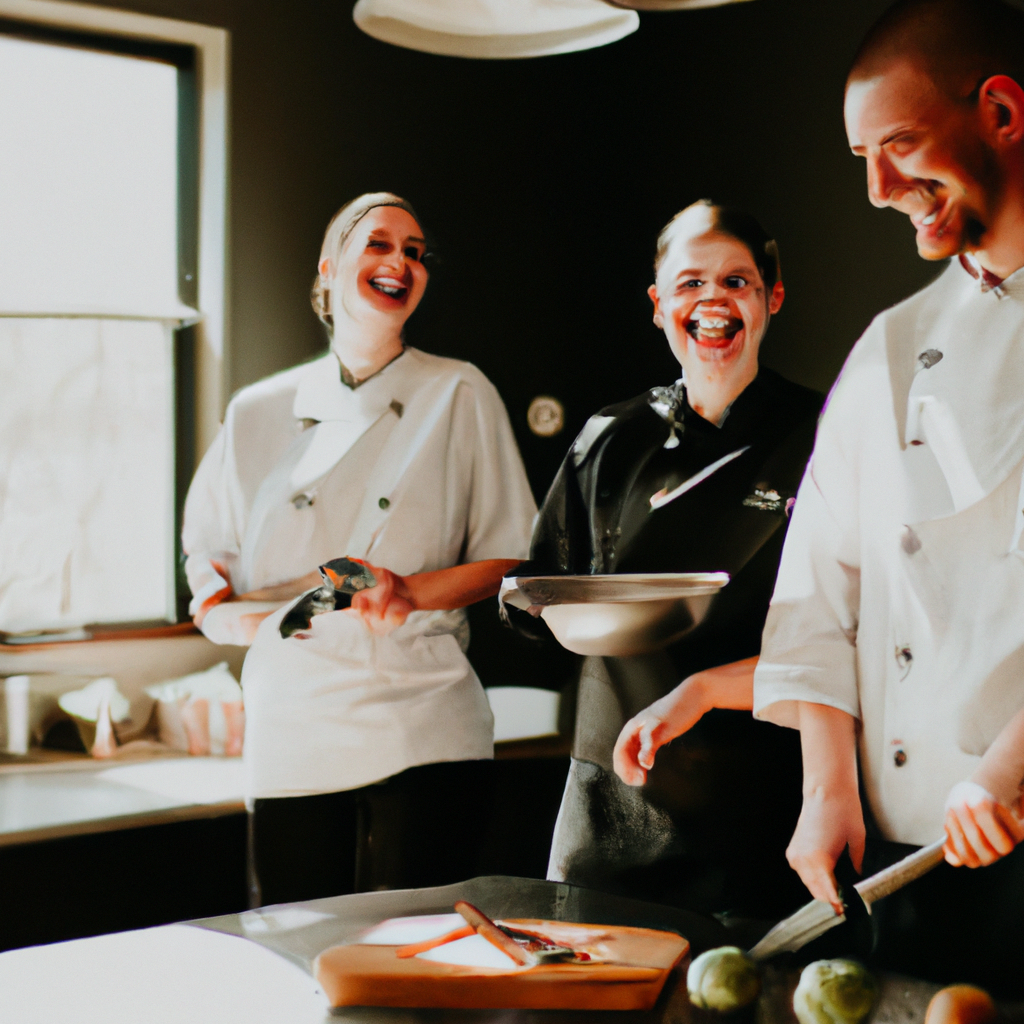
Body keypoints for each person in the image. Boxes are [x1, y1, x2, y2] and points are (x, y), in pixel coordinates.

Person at [749, 0, 1024, 994]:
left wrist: (1003, 772)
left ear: (999, 109)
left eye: (898, 147)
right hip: (896, 849)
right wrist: (827, 788)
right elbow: (820, 587)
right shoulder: (891, 343)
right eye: (861, 157)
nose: (875, 189)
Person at [181, 192, 536, 905]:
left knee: (418, 958)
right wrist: (226, 615)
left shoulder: (459, 392)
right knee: (300, 949)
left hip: (425, 717)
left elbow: (511, 559)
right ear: (329, 267)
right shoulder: (257, 410)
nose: (400, 261)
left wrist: (406, 593)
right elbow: (208, 564)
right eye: (378, 243)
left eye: (414, 251)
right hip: (292, 724)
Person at [504, 201, 822, 917]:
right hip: (615, 789)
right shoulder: (607, 437)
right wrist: (538, 607)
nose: (712, 299)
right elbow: (539, 585)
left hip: (762, 788)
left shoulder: (824, 434)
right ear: (658, 305)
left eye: (736, 281)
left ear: (772, 296)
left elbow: (851, 639)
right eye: (689, 283)